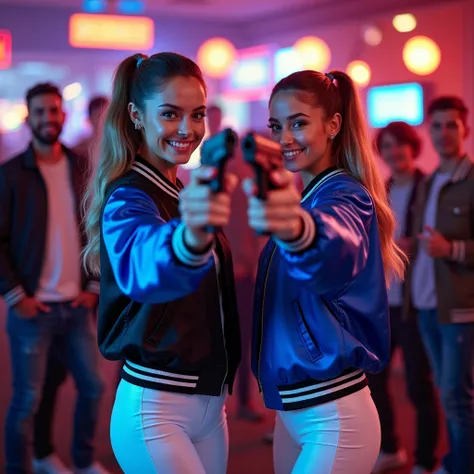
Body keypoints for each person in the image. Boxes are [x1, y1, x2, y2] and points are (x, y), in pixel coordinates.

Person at [83, 52, 241, 474]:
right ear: (136, 115)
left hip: (209, 403)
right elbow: (145, 262)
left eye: (198, 114)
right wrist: (189, 241)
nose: (188, 130)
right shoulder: (128, 197)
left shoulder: (178, 191)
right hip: (155, 407)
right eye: (170, 114)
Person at [242, 70, 406, 474]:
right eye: (277, 126)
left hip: (335, 415)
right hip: (293, 409)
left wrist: (297, 230)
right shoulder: (311, 197)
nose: (284, 138)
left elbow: (333, 250)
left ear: (333, 125)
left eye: (299, 123)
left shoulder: (345, 195)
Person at [0, 83, 106, 474]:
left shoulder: (82, 167)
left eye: (54, 111)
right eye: (40, 112)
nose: (49, 118)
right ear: (30, 119)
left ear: (64, 115)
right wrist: (15, 296)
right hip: (32, 309)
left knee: (93, 388)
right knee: (27, 399)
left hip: (76, 307)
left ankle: (82, 460)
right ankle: (21, 466)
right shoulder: (11, 174)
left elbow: (97, 230)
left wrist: (94, 286)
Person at [408, 96, 474, 474]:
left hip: (458, 309)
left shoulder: (470, 180)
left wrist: (451, 248)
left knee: (456, 398)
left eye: (452, 124)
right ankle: (453, 462)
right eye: (437, 125)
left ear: (464, 129)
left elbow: (447, 246)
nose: (443, 133)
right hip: (424, 306)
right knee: (444, 395)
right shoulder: (430, 181)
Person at [369, 121, 439, 474]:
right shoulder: (382, 189)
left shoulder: (430, 188)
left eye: (400, 145)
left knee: (417, 383)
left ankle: (426, 460)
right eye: (388, 147)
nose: (395, 152)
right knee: (375, 379)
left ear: (413, 147)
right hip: (385, 302)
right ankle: (391, 447)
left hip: (418, 302)